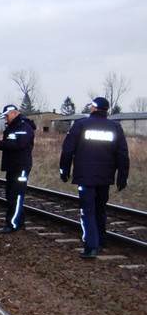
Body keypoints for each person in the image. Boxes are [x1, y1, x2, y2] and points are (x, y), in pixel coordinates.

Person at [59, 97, 130, 259]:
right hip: (105, 177)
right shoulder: (115, 127)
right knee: (100, 209)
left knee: (87, 211)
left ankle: (91, 246)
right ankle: (101, 239)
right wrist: (122, 177)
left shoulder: (81, 124)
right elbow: (122, 154)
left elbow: (68, 150)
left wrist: (64, 170)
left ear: (94, 108)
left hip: (85, 176)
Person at [0, 104, 36, 234]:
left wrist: (0, 143)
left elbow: (19, 144)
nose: (5, 119)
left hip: (20, 166)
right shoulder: (12, 127)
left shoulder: (24, 127)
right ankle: (19, 222)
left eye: (7, 116)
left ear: (14, 113)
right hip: (12, 166)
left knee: (16, 195)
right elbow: (9, 144)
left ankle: (12, 224)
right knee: (11, 195)